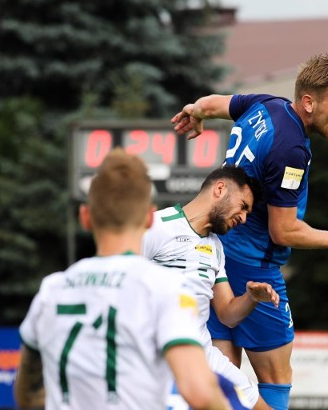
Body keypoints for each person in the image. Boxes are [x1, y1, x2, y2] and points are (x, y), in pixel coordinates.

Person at [170, 53, 328, 409]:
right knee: (275, 378)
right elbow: (284, 231)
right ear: (309, 102)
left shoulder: (267, 105)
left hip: (214, 252)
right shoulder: (291, 149)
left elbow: (213, 104)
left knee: (223, 378)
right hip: (253, 267)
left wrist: (195, 111)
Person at [15, 148, 231, 410]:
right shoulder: (167, 289)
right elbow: (199, 392)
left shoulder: (51, 290)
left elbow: (27, 392)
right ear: (150, 217)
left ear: (85, 217)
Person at [142, 165, 279, 410]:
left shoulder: (215, 247)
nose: (244, 218)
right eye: (243, 206)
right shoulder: (157, 227)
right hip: (159, 359)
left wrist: (251, 297)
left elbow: (227, 314)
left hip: (204, 356)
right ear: (219, 189)